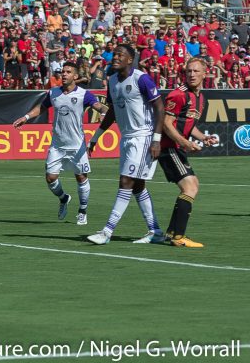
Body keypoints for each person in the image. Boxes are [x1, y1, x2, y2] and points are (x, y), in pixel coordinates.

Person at [86, 45, 166, 245]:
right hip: (127, 137)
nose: (115, 57)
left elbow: (159, 107)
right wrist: (96, 137)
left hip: (144, 136)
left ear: (130, 59)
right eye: (114, 54)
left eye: (120, 55)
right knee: (137, 185)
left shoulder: (142, 79)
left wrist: (156, 139)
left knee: (126, 181)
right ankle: (155, 230)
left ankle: (107, 231)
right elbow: (112, 111)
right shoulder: (112, 80)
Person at [13, 62, 107, 225]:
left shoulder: (84, 94)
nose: (64, 74)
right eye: (63, 71)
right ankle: (64, 198)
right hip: (57, 144)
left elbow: (99, 106)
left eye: (68, 72)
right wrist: (26, 118)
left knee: (81, 177)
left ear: (75, 76)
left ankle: (82, 210)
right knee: (50, 178)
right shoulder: (54, 93)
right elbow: (42, 107)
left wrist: (105, 112)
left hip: (77, 145)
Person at [159, 58, 218, 248]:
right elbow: (166, 124)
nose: (192, 74)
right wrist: (185, 143)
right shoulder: (178, 95)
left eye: (196, 71)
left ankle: (171, 232)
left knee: (193, 185)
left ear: (205, 73)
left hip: (176, 147)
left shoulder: (200, 98)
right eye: (189, 71)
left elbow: (189, 125)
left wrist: (203, 138)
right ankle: (178, 237)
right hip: (168, 147)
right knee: (190, 187)